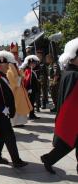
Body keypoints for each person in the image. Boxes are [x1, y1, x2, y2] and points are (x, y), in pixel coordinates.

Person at [41, 38, 78, 174]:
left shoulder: (69, 73)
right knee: (68, 143)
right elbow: (72, 100)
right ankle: (48, 159)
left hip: (72, 116)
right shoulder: (74, 74)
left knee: (69, 144)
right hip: (73, 116)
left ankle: (48, 159)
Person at [7, 51, 32, 127]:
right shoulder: (10, 65)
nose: (17, 57)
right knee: (16, 105)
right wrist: (19, 77)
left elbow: (21, 75)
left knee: (21, 105)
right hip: (15, 89)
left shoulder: (15, 64)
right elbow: (10, 76)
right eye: (15, 56)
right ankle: (15, 122)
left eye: (17, 55)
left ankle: (20, 122)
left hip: (20, 89)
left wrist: (21, 73)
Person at [21, 55, 40, 120]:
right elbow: (28, 80)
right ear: (29, 64)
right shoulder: (29, 71)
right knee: (31, 102)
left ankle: (32, 114)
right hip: (31, 89)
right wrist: (29, 88)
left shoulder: (31, 70)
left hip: (33, 89)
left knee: (32, 102)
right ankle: (31, 115)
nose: (34, 64)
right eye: (32, 63)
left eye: (34, 63)